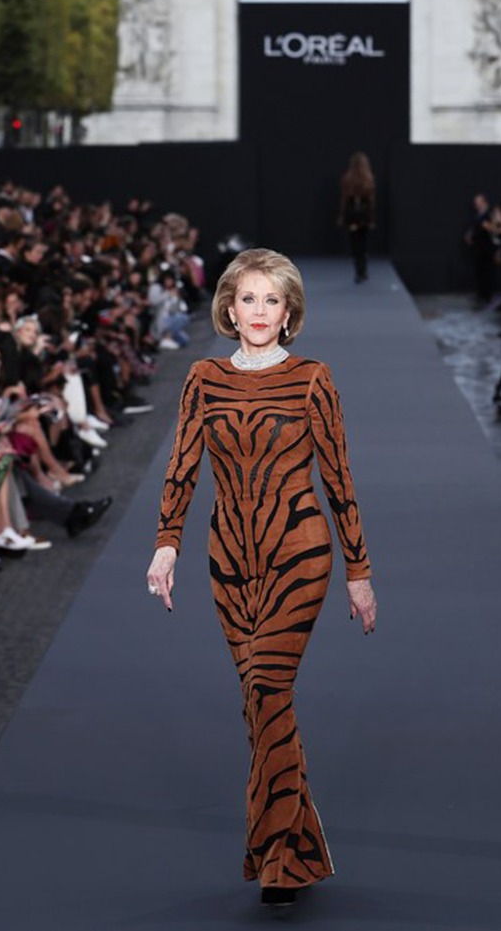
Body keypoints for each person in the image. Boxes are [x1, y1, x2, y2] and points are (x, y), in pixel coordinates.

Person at [146, 247, 377, 907]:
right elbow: (182, 467)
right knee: (258, 701)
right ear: (228, 307)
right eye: (247, 298)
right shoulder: (203, 378)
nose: (258, 311)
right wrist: (166, 546)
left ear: (289, 312)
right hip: (229, 559)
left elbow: (339, 478)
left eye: (271, 300)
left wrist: (359, 571)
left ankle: (274, 857)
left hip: (299, 554)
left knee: (267, 686)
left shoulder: (312, 378)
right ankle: (301, 845)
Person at [337, 152, 376, 283]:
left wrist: (342, 216)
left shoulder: (348, 178)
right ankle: (363, 270)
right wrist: (370, 219)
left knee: (355, 243)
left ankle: (359, 270)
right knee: (363, 242)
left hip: (352, 212)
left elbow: (344, 199)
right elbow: (371, 201)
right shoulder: (368, 178)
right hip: (364, 213)